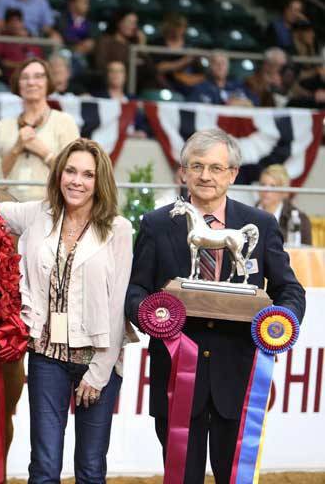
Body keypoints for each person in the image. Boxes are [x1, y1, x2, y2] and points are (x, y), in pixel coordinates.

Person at [125, 129, 306, 484]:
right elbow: (136, 289)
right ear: (183, 172)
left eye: (216, 168)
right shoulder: (156, 224)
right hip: (176, 379)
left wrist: (280, 321)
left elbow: (290, 289)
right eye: (197, 166)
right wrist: (152, 315)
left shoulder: (262, 224)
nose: (205, 176)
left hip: (238, 380)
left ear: (233, 174)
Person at [0, 138, 137, 483]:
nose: (77, 181)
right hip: (47, 357)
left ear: (99, 181)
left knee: (90, 469)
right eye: (70, 171)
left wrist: (99, 373)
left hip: (98, 361)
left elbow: (118, 307)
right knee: (44, 468)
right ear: (58, 173)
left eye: (87, 175)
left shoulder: (118, 229)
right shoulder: (37, 214)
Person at [0, 57, 80, 201]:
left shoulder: (65, 122)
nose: (31, 82)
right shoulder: (3, 126)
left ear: (48, 82)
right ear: (18, 84)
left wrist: (45, 153)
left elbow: (76, 176)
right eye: (24, 77)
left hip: (49, 207)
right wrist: (16, 149)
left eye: (38, 76)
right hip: (8, 208)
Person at [257, 163, 312, 245]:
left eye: (273, 186)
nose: (265, 190)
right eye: (263, 185)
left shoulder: (300, 219)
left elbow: (307, 251)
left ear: (284, 191)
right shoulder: (248, 214)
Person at [151, 12, 205, 95]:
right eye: (176, 26)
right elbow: (159, 68)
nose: (178, 29)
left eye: (181, 26)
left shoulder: (190, 45)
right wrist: (185, 61)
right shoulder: (158, 43)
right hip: (164, 85)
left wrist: (187, 79)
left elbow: (201, 75)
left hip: (187, 84)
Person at [0, 8, 44, 82]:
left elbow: (39, 61)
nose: (15, 25)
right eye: (12, 21)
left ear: (22, 23)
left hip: (32, 78)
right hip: (8, 79)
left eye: (18, 21)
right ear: (6, 24)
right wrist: (20, 65)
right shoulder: (1, 39)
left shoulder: (30, 40)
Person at [189, 51, 257, 106]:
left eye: (223, 63)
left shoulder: (238, 86)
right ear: (210, 67)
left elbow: (255, 102)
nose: (220, 67)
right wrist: (227, 104)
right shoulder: (201, 88)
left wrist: (243, 102)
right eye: (216, 63)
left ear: (228, 67)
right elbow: (193, 107)